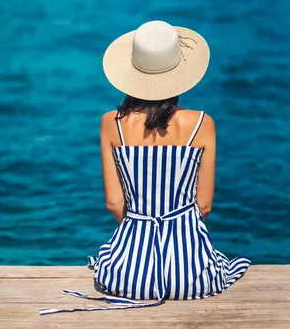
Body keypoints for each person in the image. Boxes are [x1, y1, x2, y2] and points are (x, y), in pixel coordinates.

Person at [39, 20, 251, 315]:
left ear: (132, 73)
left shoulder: (112, 124)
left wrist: (140, 240)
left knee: (107, 258)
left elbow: (114, 203)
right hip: (190, 275)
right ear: (180, 74)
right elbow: (203, 207)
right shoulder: (202, 124)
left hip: (130, 275)